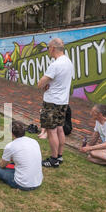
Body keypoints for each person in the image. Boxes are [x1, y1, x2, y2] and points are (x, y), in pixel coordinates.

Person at [38, 38, 74, 168]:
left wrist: (45, 85)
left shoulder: (55, 64)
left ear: (53, 48)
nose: (48, 50)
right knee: (59, 129)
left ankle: (53, 159)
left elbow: (41, 83)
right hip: (63, 102)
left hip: (52, 101)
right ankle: (59, 155)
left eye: (48, 48)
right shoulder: (68, 62)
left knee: (51, 130)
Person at [0, 121, 43, 191]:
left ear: (12, 133)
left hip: (22, 184)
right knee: (14, 165)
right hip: (38, 181)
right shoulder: (34, 141)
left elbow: (2, 165)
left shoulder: (10, 146)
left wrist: (0, 164)